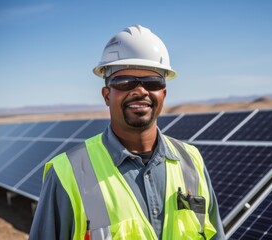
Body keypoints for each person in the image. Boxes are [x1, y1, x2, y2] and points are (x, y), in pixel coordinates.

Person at [29, 24, 225, 240]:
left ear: (164, 93)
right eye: (124, 82)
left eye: (152, 82)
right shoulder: (68, 173)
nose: (140, 91)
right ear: (106, 95)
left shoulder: (192, 162)